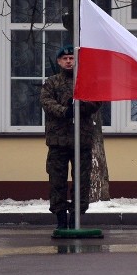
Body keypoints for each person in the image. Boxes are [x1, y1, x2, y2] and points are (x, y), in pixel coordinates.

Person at [39, 45, 102, 230]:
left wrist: (79, 105)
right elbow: (46, 102)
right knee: (57, 181)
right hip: (58, 141)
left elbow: (96, 101)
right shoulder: (51, 83)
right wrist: (65, 111)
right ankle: (60, 219)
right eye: (64, 58)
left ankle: (76, 217)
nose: (68, 61)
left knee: (81, 181)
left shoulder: (85, 81)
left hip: (81, 140)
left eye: (71, 58)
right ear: (59, 61)